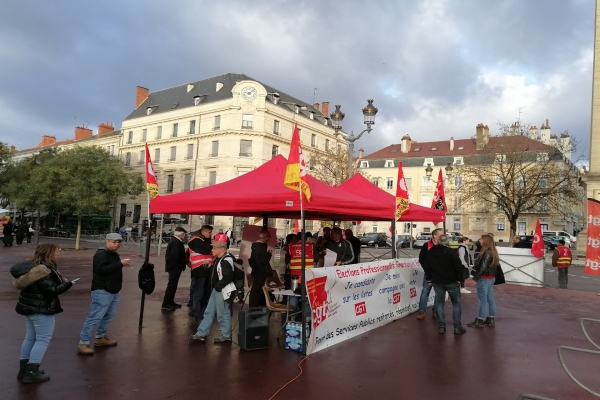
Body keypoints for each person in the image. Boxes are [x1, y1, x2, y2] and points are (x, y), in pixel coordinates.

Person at [12, 243, 74, 383]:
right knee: (42, 339)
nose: (58, 254)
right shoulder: (43, 270)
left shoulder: (32, 266)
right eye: (56, 251)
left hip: (29, 307)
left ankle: (24, 370)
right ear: (50, 253)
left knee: (30, 338)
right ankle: (32, 372)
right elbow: (52, 290)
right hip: (42, 308)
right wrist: (68, 283)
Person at [77, 233, 130, 355]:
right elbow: (100, 270)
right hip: (102, 289)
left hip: (113, 289)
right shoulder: (101, 254)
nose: (117, 244)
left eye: (119, 242)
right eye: (114, 242)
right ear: (107, 242)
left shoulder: (113, 254)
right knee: (95, 316)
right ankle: (83, 342)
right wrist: (120, 264)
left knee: (109, 315)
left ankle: (100, 336)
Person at [189, 240, 235, 343]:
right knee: (210, 312)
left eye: (214, 248)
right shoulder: (222, 259)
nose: (212, 250)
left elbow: (227, 277)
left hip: (222, 290)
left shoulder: (225, 260)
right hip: (219, 289)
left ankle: (225, 334)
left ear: (221, 249)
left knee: (222, 313)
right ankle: (202, 333)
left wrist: (218, 287)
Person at [423, 235, 466, 334]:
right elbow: (458, 267)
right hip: (452, 281)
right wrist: (460, 279)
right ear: (448, 242)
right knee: (456, 303)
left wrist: (429, 278)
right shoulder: (451, 252)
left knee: (439, 303)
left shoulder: (431, 251)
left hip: (437, 281)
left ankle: (441, 326)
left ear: (438, 241)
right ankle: (457, 326)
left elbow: (427, 266)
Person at [468, 234, 498, 328]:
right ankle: (491, 318)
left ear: (485, 241)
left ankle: (480, 319)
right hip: (490, 278)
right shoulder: (492, 251)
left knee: (483, 300)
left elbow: (483, 267)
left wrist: (475, 278)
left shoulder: (486, 252)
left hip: (484, 278)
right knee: (490, 299)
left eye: (481, 239)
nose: (479, 240)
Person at [187, 225, 214, 324]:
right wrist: (214, 245)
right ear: (204, 232)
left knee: (206, 291)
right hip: (199, 270)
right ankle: (197, 313)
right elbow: (205, 249)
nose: (211, 234)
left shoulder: (205, 240)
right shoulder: (194, 240)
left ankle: (201, 311)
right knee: (198, 292)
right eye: (209, 232)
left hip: (206, 269)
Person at [416, 228, 443, 320]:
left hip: (440, 274)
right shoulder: (426, 245)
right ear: (435, 236)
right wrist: (427, 270)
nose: (443, 236)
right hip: (429, 273)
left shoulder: (443, 244)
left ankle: (436, 311)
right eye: (441, 234)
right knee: (425, 291)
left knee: (438, 293)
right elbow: (421, 258)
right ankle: (421, 311)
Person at [161, 227, 188, 310]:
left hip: (175, 267)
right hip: (174, 267)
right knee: (171, 285)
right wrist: (182, 263)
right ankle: (166, 303)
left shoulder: (175, 241)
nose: (184, 236)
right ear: (181, 234)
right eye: (184, 234)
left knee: (173, 285)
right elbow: (176, 256)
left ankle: (170, 301)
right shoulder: (176, 242)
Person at [248, 230, 274, 307]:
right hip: (261, 271)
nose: (269, 239)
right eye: (268, 237)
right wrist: (269, 254)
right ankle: (254, 306)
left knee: (255, 289)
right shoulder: (262, 246)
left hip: (256, 270)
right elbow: (264, 260)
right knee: (258, 290)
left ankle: (253, 305)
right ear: (265, 237)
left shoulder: (255, 245)